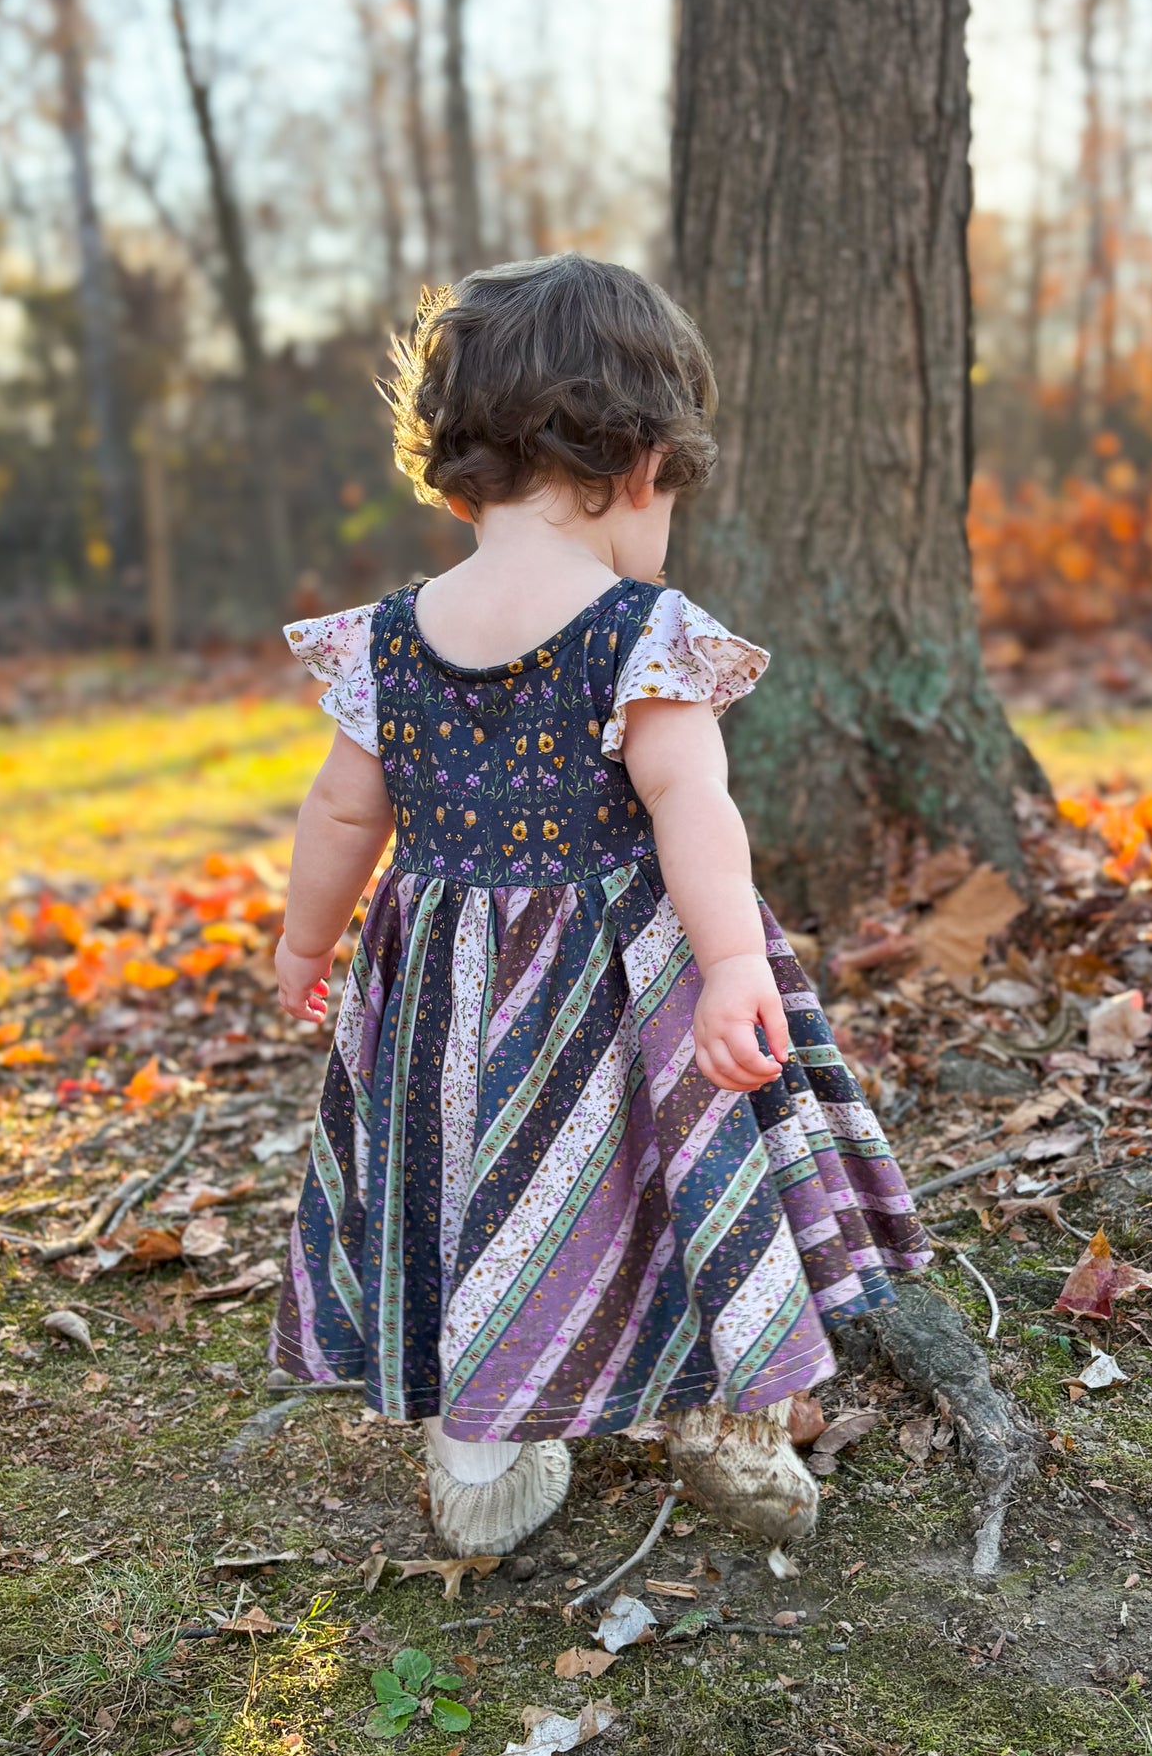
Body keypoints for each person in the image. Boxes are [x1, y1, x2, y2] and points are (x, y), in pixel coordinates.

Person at [271, 255, 930, 1559]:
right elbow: (693, 804)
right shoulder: (641, 629)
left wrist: (305, 942)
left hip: (454, 1000)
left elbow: (343, 812)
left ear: (459, 468)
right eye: (670, 494)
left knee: (469, 1187)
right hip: (628, 982)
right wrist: (733, 959)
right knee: (675, 1170)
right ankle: (731, 1402)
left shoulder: (389, 638)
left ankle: (478, 1449)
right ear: (639, 462)